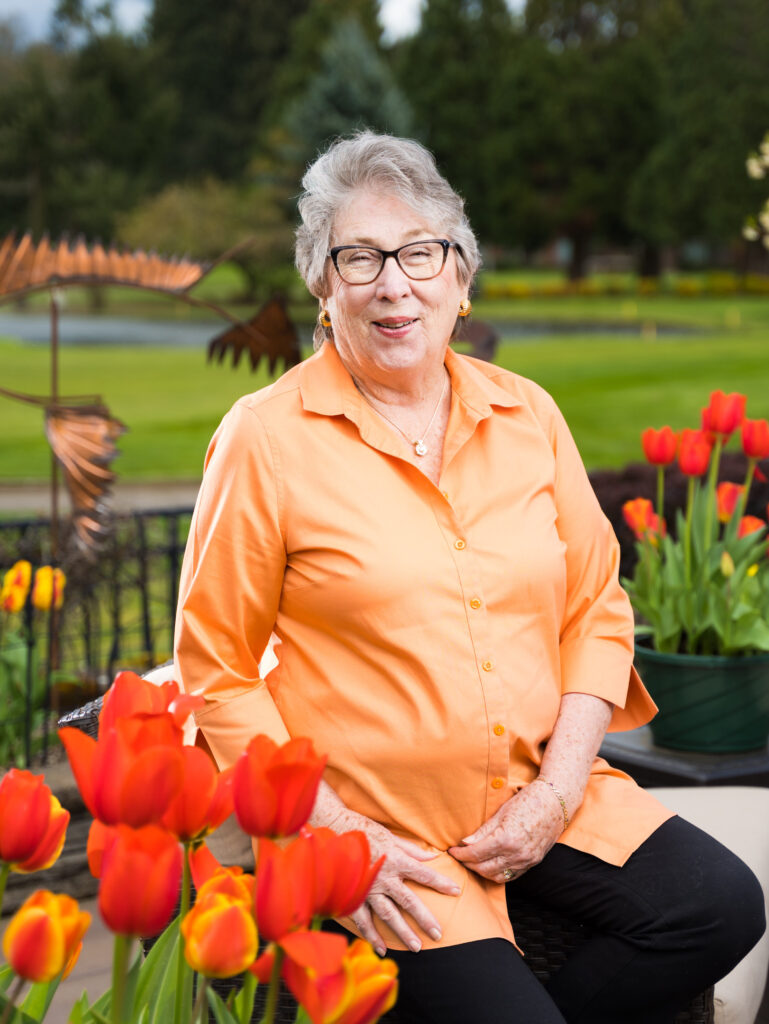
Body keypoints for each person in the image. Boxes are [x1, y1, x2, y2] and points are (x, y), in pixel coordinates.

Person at [174, 132, 765, 1023]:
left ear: (459, 277)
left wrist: (559, 789)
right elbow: (216, 666)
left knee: (720, 907)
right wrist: (336, 833)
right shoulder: (265, 439)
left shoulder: (527, 413)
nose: (392, 282)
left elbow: (595, 609)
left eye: (418, 253)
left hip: (541, 791)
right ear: (321, 284)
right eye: (358, 257)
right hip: (383, 826)